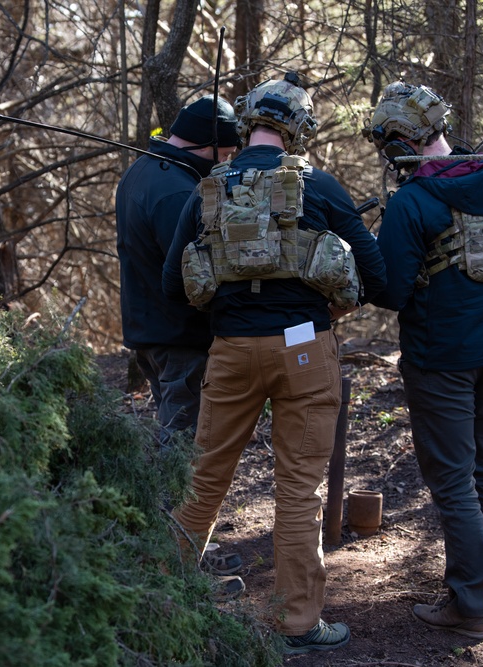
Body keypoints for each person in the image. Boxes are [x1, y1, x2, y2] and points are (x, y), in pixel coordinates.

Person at [162, 73, 386, 653]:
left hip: (232, 349)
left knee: (204, 476)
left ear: (248, 123)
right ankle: (299, 624)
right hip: (306, 348)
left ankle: (164, 599)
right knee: (298, 490)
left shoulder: (208, 190)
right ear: (299, 128)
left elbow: (172, 282)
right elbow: (378, 275)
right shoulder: (322, 187)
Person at [361, 81, 483, 640]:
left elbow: (391, 291)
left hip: (439, 360)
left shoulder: (412, 202)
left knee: (455, 480)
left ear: (397, 144)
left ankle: (469, 605)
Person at [115, 95, 243, 577]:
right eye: (226, 153)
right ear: (209, 145)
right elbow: (193, 274)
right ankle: (172, 563)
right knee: (185, 450)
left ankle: (168, 550)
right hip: (180, 338)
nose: (229, 160)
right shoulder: (175, 191)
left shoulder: (143, 171)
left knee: (175, 438)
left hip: (150, 332)